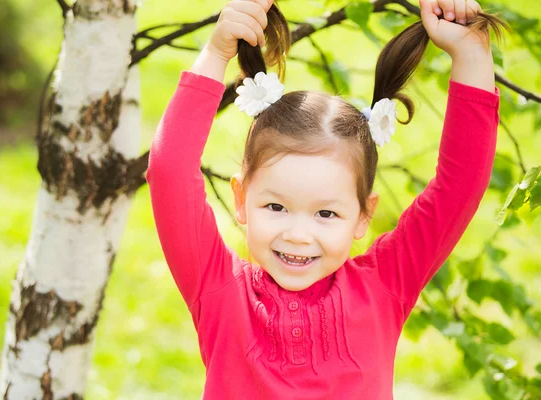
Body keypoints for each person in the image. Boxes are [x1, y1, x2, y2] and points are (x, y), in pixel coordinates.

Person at [146, 0, 506, 398]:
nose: (299, 234)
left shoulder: (386, 285)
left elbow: (460, 185)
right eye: (276, 207)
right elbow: (170, 174)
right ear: (242, 198)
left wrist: (472, 51)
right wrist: (216, 55)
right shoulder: (219, 290)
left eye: (327, 213)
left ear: (363, 217)